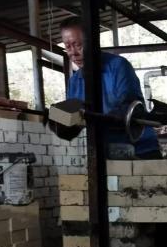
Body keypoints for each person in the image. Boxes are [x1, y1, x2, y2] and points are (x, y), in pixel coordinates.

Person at [60, 16, 161, 159]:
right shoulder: (74, 82)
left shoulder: (118, 67)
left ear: (92, 41)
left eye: (78, 45)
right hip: (104, 153)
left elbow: (129, 107)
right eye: (68, 47)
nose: (73, 53)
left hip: (140, 150)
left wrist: (91, 118)